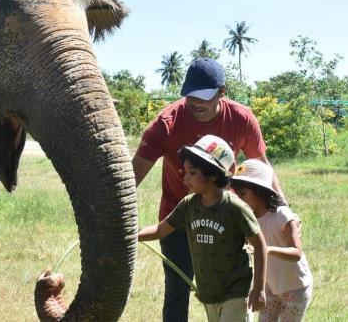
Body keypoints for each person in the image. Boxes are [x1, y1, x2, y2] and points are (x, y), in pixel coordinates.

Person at [133, 58, 285, 321]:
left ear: (221, 92)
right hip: (179, 218)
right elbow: (131, 176)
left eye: (204, 97)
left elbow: (261, 166)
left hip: (225, 221)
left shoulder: (241, 119)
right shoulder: (166, 124)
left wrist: (282, 210)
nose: (195, 102)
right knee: (177, 291)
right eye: (190, 96)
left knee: (228, 290)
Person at [138, 135, 267, 322]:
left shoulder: (236, 208)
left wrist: (259, 288)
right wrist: (128, 236)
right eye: (185, 172)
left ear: (213, 174)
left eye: (192, 173)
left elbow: (260, 245)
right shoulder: (188, 205)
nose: (184, 178)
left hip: (236, 291)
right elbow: (160, 231)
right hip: (209, 292)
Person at [231, 159, 313, 322]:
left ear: (260, 191)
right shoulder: (249, 219)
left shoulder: (282, 215)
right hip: (270, 288)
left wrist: (267, 249)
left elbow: (296, 253)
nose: (239, 199)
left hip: (296, 287)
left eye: (243, 194)